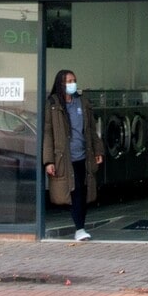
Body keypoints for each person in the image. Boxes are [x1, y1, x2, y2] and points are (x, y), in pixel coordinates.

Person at [42, 69, 104, 241]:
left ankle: (80, 228)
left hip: (84, 156)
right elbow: (48, 133)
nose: (72, 84)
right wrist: (48, 161)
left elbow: (91, 129)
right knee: (74, 191)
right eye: (69, 81)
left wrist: (98, 150)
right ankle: (80, 229)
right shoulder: (53, 104)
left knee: (83, 192)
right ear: (61, 83)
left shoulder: (82, 102)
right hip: (65, 158)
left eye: (74, 80)